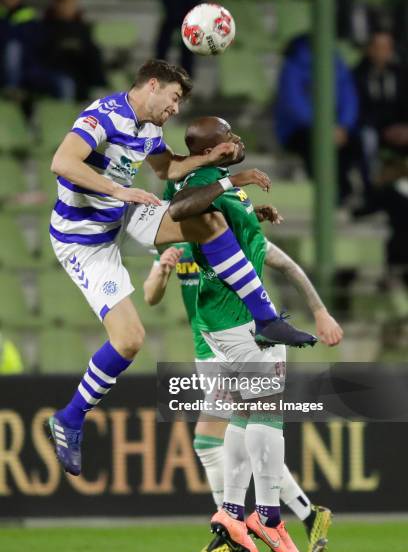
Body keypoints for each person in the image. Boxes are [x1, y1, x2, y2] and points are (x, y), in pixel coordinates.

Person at [46, 60, 316, 479]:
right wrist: (118, 188)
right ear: (152, 85)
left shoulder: (149, 129)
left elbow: (168, 169)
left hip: (122, 213)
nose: (174, 109)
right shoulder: (103, 115)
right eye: (173, 98)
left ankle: (264, 319)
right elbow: (62, 162)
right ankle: (70, 417)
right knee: (130, 340)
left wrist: (211, 157)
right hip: (84, 237)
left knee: (210, 222)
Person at [149, 116, 341, 552]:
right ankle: (273, 515)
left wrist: (249, 211)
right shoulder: (200, 185)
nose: (237, 141)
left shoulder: (214, 186)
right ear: (212, 149)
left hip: (221, 325)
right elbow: (183, 213)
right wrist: (234, 183)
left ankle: (234, 518)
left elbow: (214, 224)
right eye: (228, 137)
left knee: (232, 423)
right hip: (235, 319)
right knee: (264, 414)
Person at [274, 34, 358, 204]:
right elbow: (294, 104)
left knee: (356, 142)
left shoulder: (336, 63)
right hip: (299, 129)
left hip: (334, 128)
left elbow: (348, 97)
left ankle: (352, 192)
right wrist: (322, 128)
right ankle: (326, 194)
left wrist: (344, 125)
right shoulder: (293, 66)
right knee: (314, 143)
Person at [353, 31, 408, 204]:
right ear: (369, 49)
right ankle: (372, 192)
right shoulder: (358, 75)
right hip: (371, 127)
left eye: (386, 48)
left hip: (400, 127)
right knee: (367, 139)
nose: (382, 52)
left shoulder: (401, 74)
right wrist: (383, 129)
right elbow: (358, 109)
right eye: (378, 47)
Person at [33, 0, 106, 101]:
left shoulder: (81, 26)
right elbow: (43, 57)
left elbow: (91, 53)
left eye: (74, 3)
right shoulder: (45, 26)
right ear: (57, 2)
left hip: (80, 74)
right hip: (54, 73)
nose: (73, 7)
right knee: (66, 84)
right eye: (69, 3)